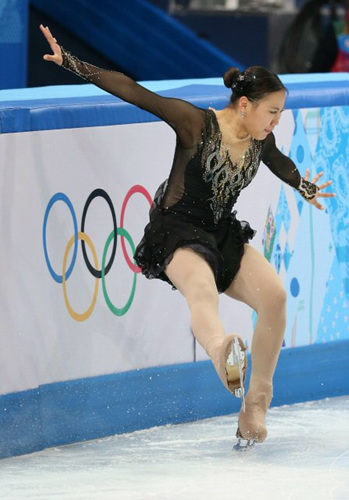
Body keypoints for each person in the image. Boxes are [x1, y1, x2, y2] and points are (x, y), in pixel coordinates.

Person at [40, 25, 335, 446]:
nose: (276, 121)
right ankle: (222, 353)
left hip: (220, 232)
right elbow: (134, 91)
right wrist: (70, 60)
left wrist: (303, 186)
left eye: (281, 114)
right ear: (246, 104)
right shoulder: (196, 124)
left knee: (274, 297)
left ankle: (256, 403)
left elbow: (280, 162)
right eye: (272, 112)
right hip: (177, 229)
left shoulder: (259, 139)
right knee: (201, 289)